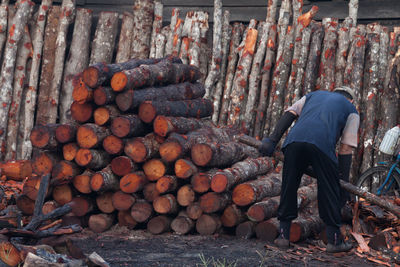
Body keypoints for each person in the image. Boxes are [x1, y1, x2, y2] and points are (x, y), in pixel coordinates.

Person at [259, 86, 359, 253]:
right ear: (351, 99)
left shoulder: (313, 96)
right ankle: (334, 241)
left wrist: (272, 139)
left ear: (333, 93)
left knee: (289, 186)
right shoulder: (351, 109)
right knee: (328, 190)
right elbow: (346, 148)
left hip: (294, 142)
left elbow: (290, 113)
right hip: (322, 146)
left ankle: (283, 236)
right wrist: (342, 180)